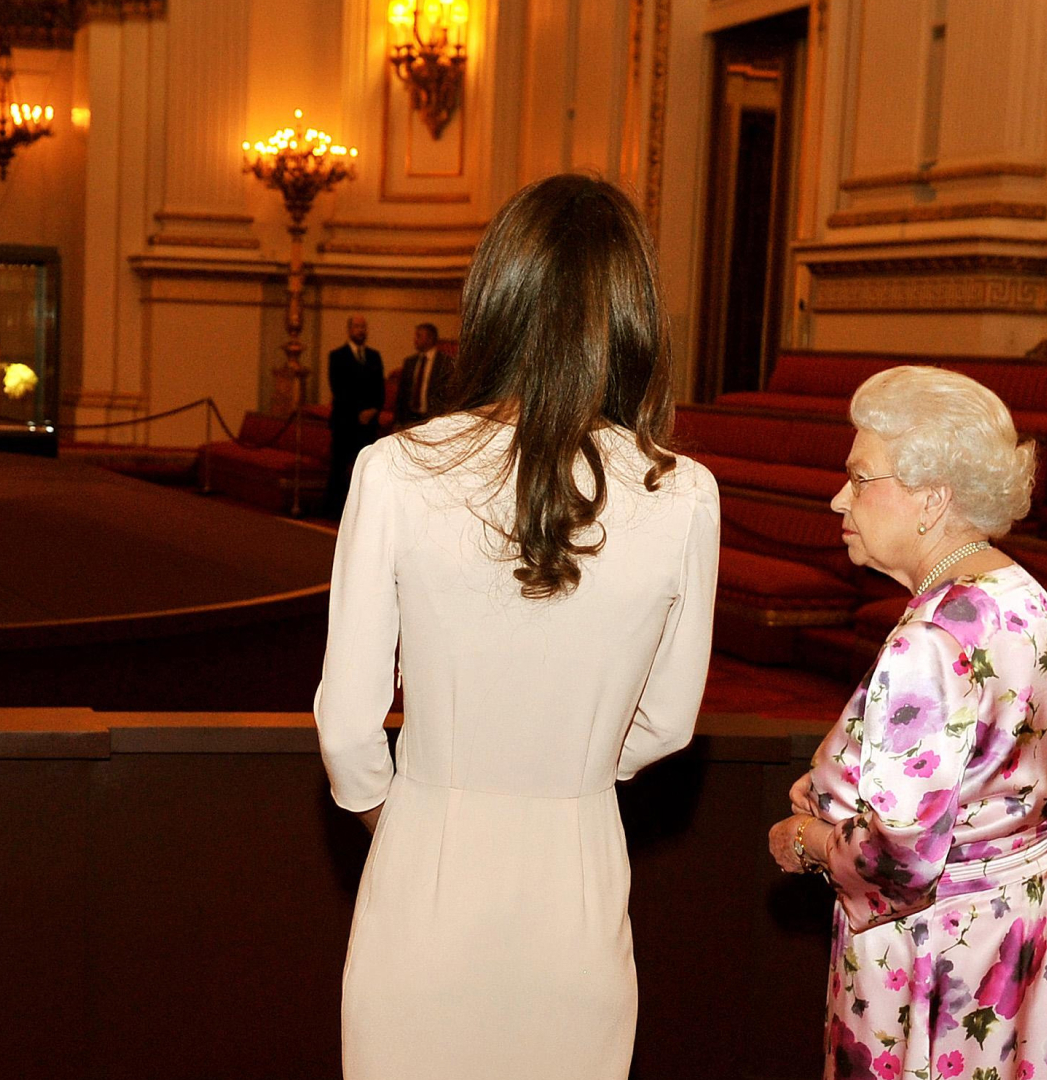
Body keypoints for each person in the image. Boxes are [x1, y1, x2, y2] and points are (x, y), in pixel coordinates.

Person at [314, 173, 719, 1080]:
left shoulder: (394, 470)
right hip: (576, 872)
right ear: (633, 315)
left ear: (495, 297)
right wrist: (563, 779)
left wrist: (417, 809)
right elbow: (669, 725)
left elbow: (347, 726)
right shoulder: (683, 491)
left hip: (426, 868)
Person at [767, 366, 1047, 1080]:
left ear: (932, 499)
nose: (837, 497)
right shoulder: (1025, 594)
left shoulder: (929, 640)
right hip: (1019, 926)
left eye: (860, 477)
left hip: (935, 956)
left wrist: (807, 838)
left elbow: (899, 862)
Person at [325, 315, 385, 515]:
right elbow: (339, 389)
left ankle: (362, 510)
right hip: (345, 422)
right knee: (340, 467)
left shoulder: (374, 356)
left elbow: (380, 388)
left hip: (368, 424)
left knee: (366, 468)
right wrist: (358, 412)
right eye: (357, 327)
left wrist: (373, 410)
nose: (361, 330)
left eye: (364, 327)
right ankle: (334, 509)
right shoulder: (337, 356)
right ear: (349, 329)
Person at [393, 322, 448, 428]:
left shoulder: (444, 363)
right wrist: (398, 420)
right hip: (410, 418)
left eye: (418, 336)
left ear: (430, 339)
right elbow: (402, 394)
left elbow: (447, 395)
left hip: (433, 418)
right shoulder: (410, 362)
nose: (415, 340)